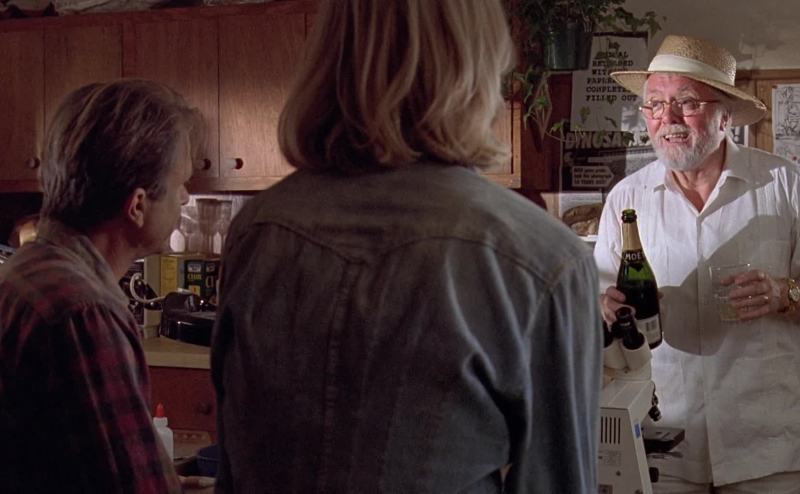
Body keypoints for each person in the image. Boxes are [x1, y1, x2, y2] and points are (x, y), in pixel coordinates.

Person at [211, 0, 602, 492]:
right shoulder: (541, 259)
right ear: (479, 62)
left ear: (329, 57)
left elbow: (235, 468)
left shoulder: (257, 231)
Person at [595, 34, 800, 493]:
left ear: (725, 115)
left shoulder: (785, 185)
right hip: (664, 443)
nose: (666, 119)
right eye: (654, 104)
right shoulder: (626, 199)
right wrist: (605, 309)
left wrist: (785, 293)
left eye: (686, 102)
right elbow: (595, 309)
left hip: (768, 448)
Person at [0, 79, 199, 493]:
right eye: (180, 182)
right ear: (138, 205)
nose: (184, 198)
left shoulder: (27, 272)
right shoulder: (82, 313)